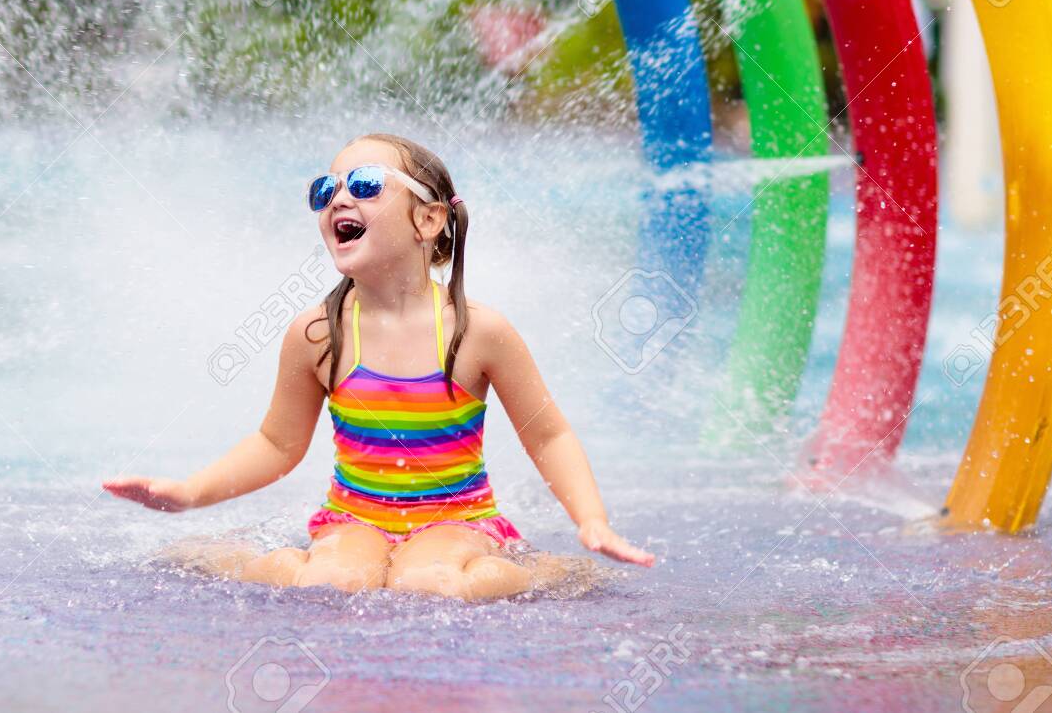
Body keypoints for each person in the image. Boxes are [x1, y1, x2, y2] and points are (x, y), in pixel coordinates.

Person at [104, 132, 653, 600]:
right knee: (330, 583)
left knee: (428, 584)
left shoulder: (478, 331)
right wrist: (190, 493)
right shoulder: (318, 335)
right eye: (325, 190)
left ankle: (546, 572)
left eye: (365, 184)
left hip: (455, 520)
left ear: (428, 219)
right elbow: (277, 444)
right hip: (355, 518)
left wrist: (591, 520)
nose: (338, 199)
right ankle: (241, 559)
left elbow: (548, 435)